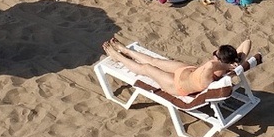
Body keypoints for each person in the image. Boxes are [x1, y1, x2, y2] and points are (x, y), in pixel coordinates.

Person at [102, 37, 252, 97]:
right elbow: (247, 42)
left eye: (215, 53)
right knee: (155, 61)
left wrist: (228, 64)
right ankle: (126, 50)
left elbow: (212, 64)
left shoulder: (212, 69)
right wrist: (238, 60)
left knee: (146, 68)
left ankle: (118, 57)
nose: (212, 55)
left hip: (177, 85)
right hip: (189, 71)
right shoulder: (228, 66)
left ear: (219, 59)